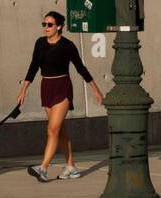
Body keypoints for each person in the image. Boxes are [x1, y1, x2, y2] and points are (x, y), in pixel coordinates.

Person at [17, 10, 103, 181]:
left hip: (62, 87)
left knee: (52, 129)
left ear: (59, 26)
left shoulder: (67, 46)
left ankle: (43, 167)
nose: (46, 28)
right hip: (46, 87)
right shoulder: (40, 43)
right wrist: (23, 90)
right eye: (44, 24)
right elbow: (33, 66)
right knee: (60, 131)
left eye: (50, 24)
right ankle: (71, 167)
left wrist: (95, 88)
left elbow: (80, 68)